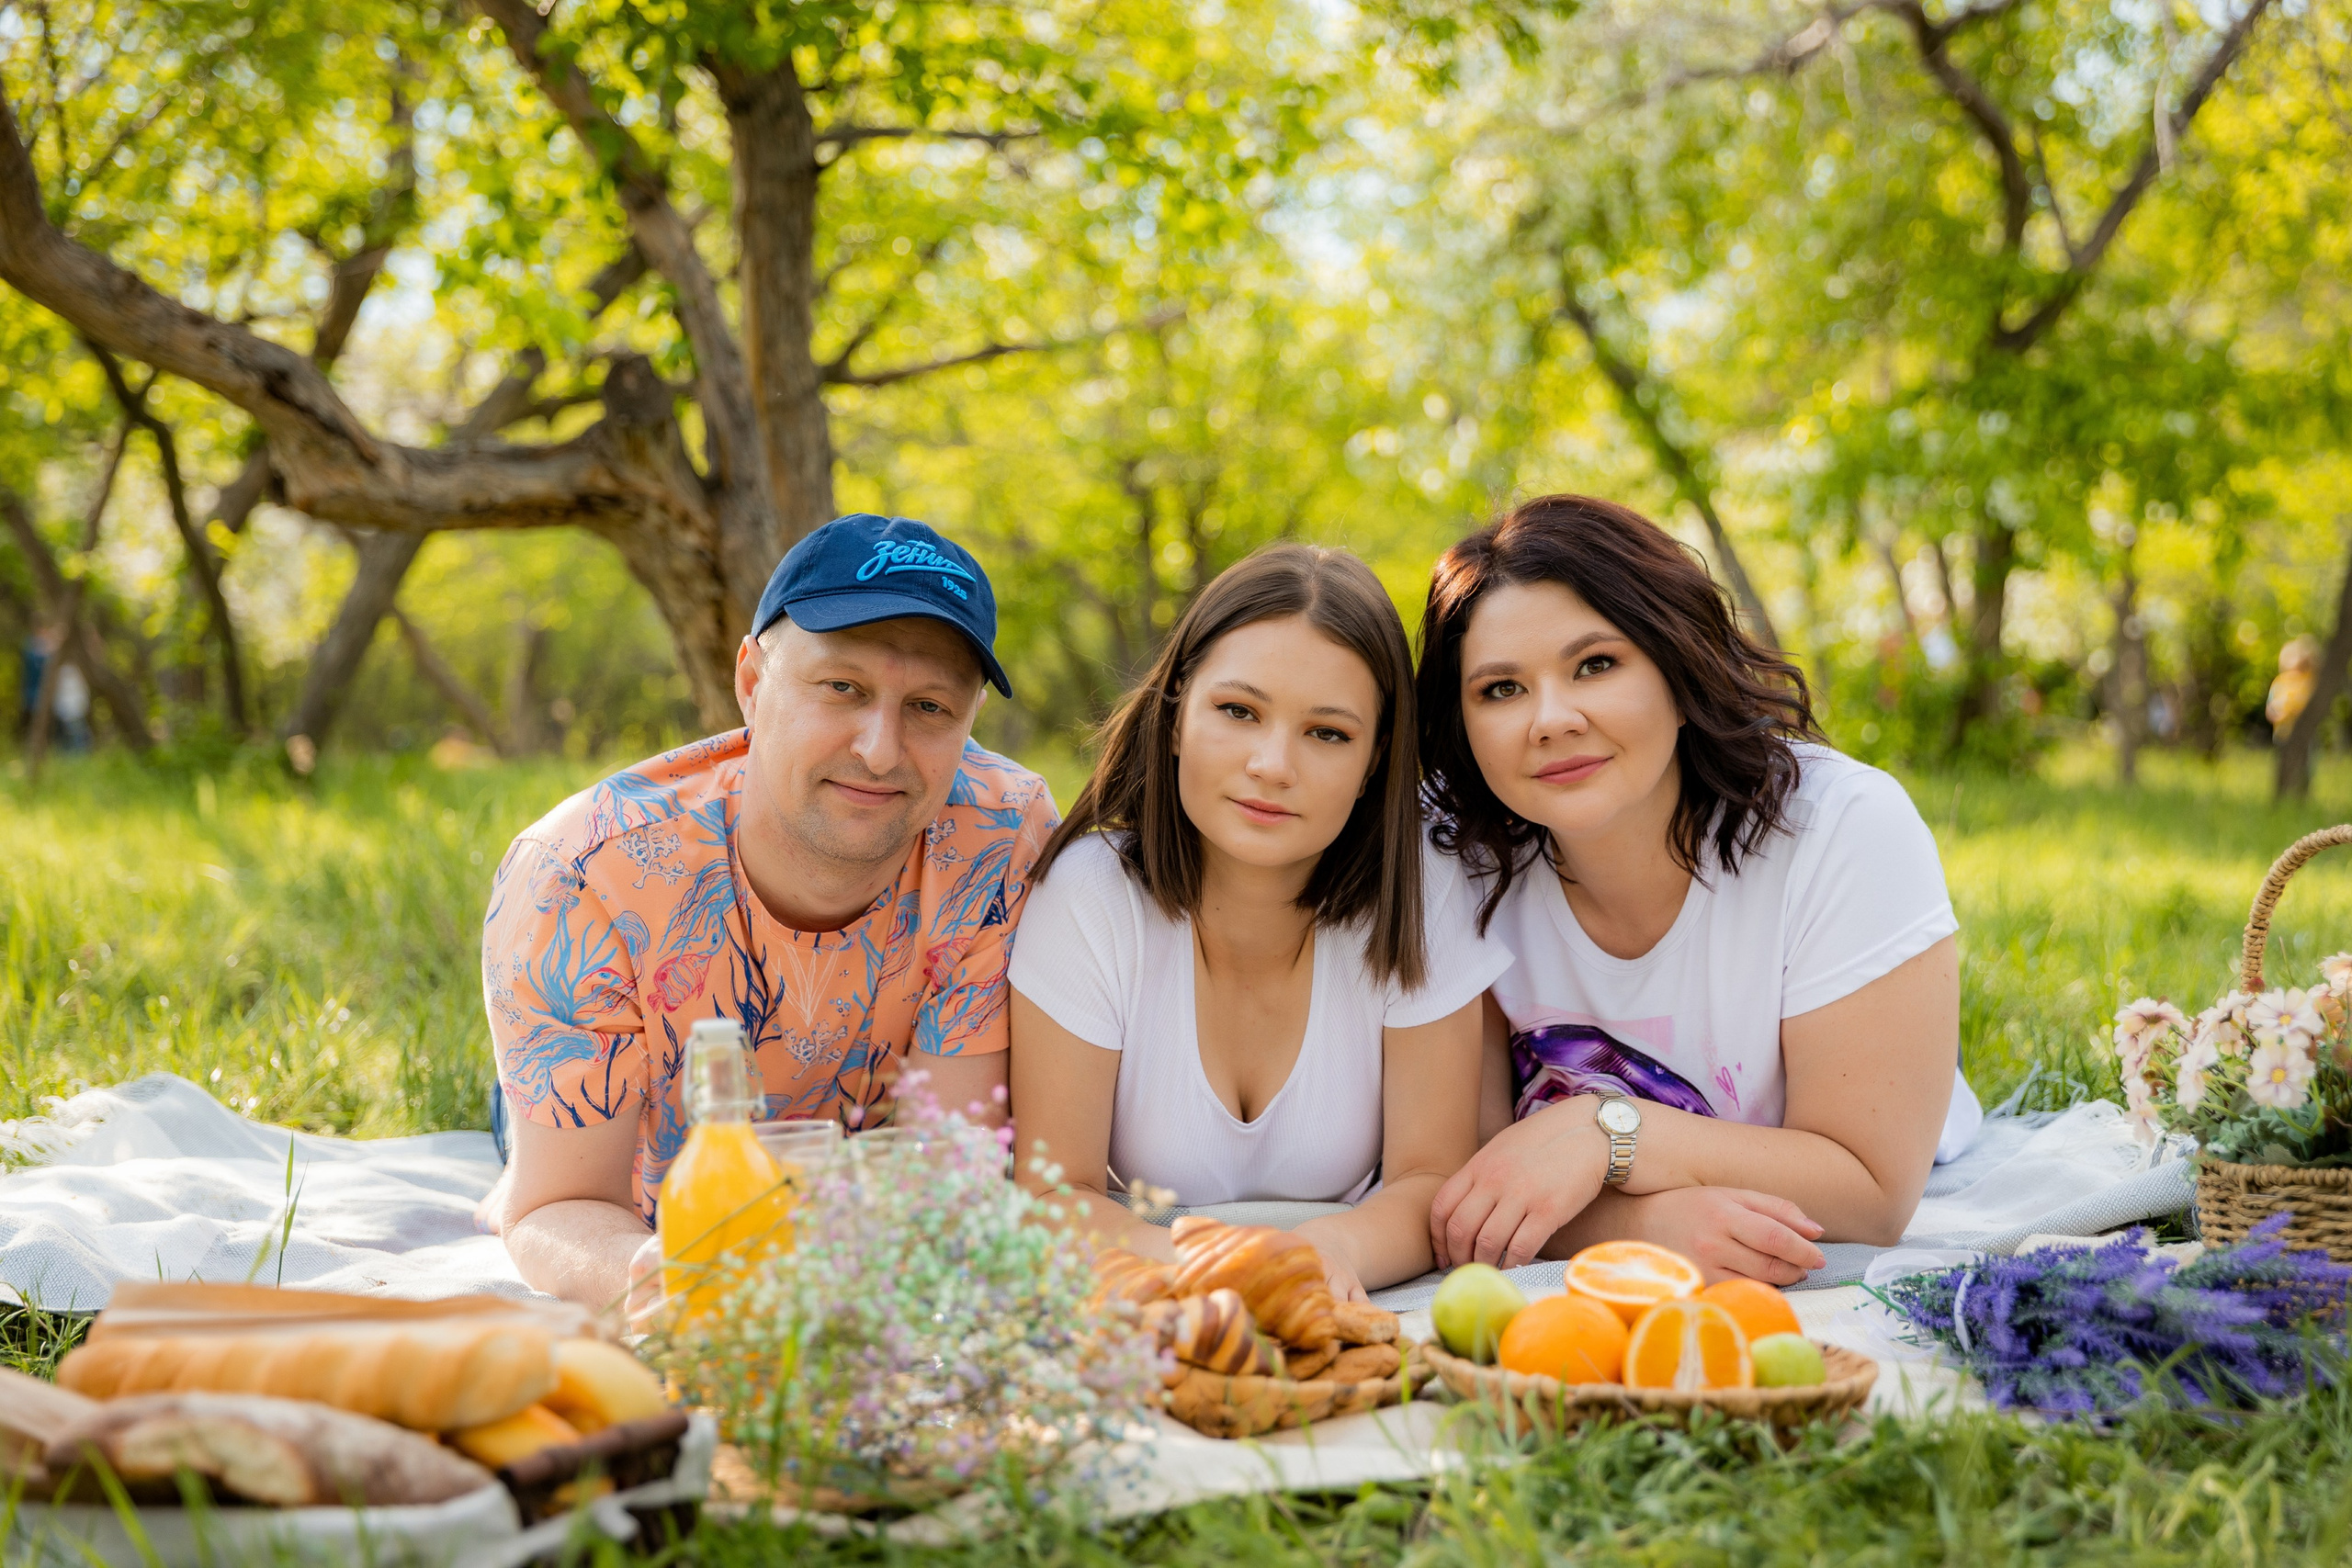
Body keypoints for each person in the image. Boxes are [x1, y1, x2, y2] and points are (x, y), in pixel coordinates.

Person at [481, 513, 1057, 1308]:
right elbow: (563, 1208)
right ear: (752, 681)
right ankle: (518, 1128)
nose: (881, 749)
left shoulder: (1003, 833)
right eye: (842, 688)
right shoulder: (580, 871)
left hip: (856, 1142)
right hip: (645, 1124)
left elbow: (948, 1170)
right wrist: (684, 1295)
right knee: (542, 1166)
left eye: (930, 707)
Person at [1416, 495, 1980, 1285]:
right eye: (1500, 689)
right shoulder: (1451, 856)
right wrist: (1641, 1228)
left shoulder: (1839, 829)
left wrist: (1604, 1128)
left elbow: (1873, 1192)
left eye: (1596, 664)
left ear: (1680, 671)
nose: (1551, 719)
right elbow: (1473, 1180)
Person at [1008, 545, 1507, 1300]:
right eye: (1239, 711)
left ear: (1375, 761)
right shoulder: (1090, 896)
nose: (1273, 764)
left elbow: (1428, 1177)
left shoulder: (1425, 893)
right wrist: (1221, 1273)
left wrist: (1315, 1259)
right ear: (1177, 716)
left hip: (1357, 1289)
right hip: (1139, 1294)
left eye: (1328, 733)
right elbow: (1052, 1197)